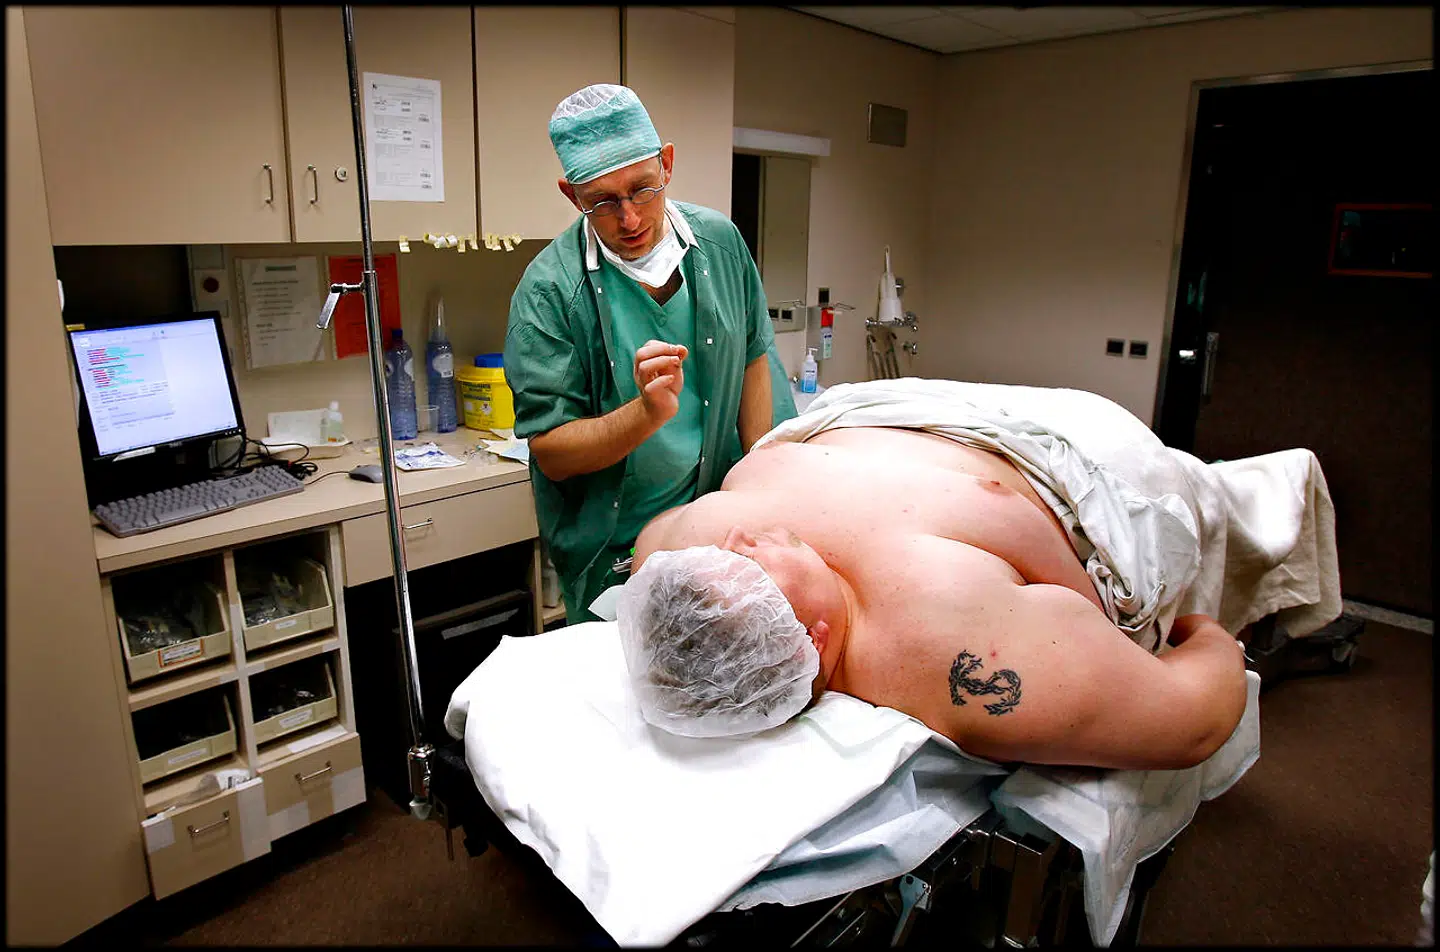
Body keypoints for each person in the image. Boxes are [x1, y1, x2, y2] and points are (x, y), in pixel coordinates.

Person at [622, 381, 1252, 770]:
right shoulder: (940, 647)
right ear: (813, 641)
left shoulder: (680, 554)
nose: (738, 536)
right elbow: (1193, 724)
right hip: (1073, 442)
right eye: (750, 562)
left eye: (719, 555)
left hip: (882, 406)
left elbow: (653, 548)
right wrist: (1206, 634)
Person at [504, 84, 797, 622]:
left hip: (720, 527)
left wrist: (759, 501)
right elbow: (553, 453)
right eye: (602, 202)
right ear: (571, 195)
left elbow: (753, 355)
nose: (630, 219)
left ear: (667, 164)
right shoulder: (550, 292)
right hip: (619, 554)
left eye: (643, 190)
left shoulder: (721, 245)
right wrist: (645, 414)